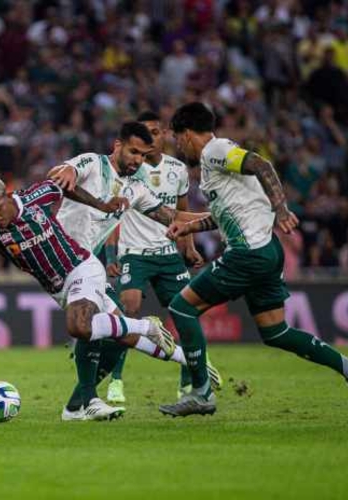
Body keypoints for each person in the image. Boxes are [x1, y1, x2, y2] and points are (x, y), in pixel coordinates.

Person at [157, 102, 348, 418]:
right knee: (275, 332)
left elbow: (261, 165)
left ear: (188, 134)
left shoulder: (214, 150)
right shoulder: (214, 162)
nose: (179, 147)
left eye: (178, 139)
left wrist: (282, 208)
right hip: (267, 250)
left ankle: (201, 393)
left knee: (181, 307)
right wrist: (189, 225)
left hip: (247, 255)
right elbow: (227, 213)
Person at [0, 176, 177, 421]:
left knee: (79, 327)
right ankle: (186, 358)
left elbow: (67, 186)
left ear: (6, 196)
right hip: (59, 289)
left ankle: (138, 337)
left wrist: (102, 205)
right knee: (125, 337)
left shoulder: (35, 196)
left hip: (81, 267)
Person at [48, 121, 221, 420]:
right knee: (97, 324)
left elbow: (172, 216)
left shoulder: (135, 189)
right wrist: (66, 171)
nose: (137, 160)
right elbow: (67, 173)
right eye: (133, 152)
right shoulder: (92, 163)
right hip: (63, 261)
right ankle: (88, 401)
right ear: (117, 146)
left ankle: (75, 407)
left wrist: (221, 215)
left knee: (120, 338)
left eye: (143, 155)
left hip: (87, 265)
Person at [103, 111, 208, 404]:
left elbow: (181, 212)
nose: (151, 137)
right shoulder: (129, 169)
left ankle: (189, 382)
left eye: (156, 131)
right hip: (134, 253)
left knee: (185, 313)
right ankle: (116, 380)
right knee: (129, 309)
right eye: (145, 133)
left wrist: (189, 247)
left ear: (162, 136)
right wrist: (112, 253)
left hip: (167, 253)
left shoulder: (177, 169)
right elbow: (115, 215)